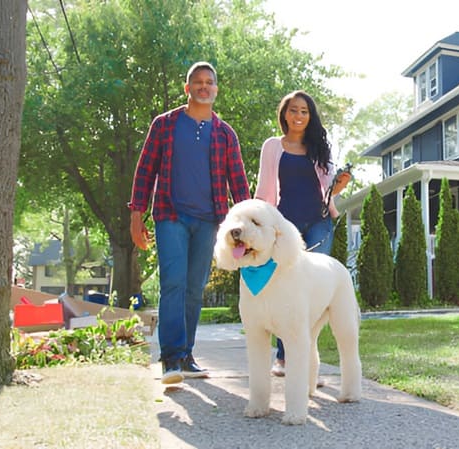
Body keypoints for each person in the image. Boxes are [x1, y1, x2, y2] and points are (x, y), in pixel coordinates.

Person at [129, 61, 250, 384]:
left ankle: (186, 355)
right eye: (197, 82)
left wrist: (248, 223)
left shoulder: (225, 135)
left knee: (194, 289)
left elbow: (238, 183)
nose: (204, 87)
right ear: (187, 88)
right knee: (173, 283)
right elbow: (145, 170)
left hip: (209, 219)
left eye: (209, 82)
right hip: (170, 215)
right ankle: (170, 358)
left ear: (216, 89)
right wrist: (136, 214)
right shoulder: (165, 125)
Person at [254, 90, 350, 379]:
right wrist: (258, 222)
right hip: (285, 228)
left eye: (304, 111)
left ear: (311, 117)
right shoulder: (273, 146)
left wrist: (340, 184)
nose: (298, 116)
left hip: (319, 222)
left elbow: (328, 192)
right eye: (293, 110)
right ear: (284, 114)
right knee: (288, 292)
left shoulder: (319, 149)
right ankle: (284, 358)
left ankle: (307, 364)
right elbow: (264, 189)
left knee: (311, 292)